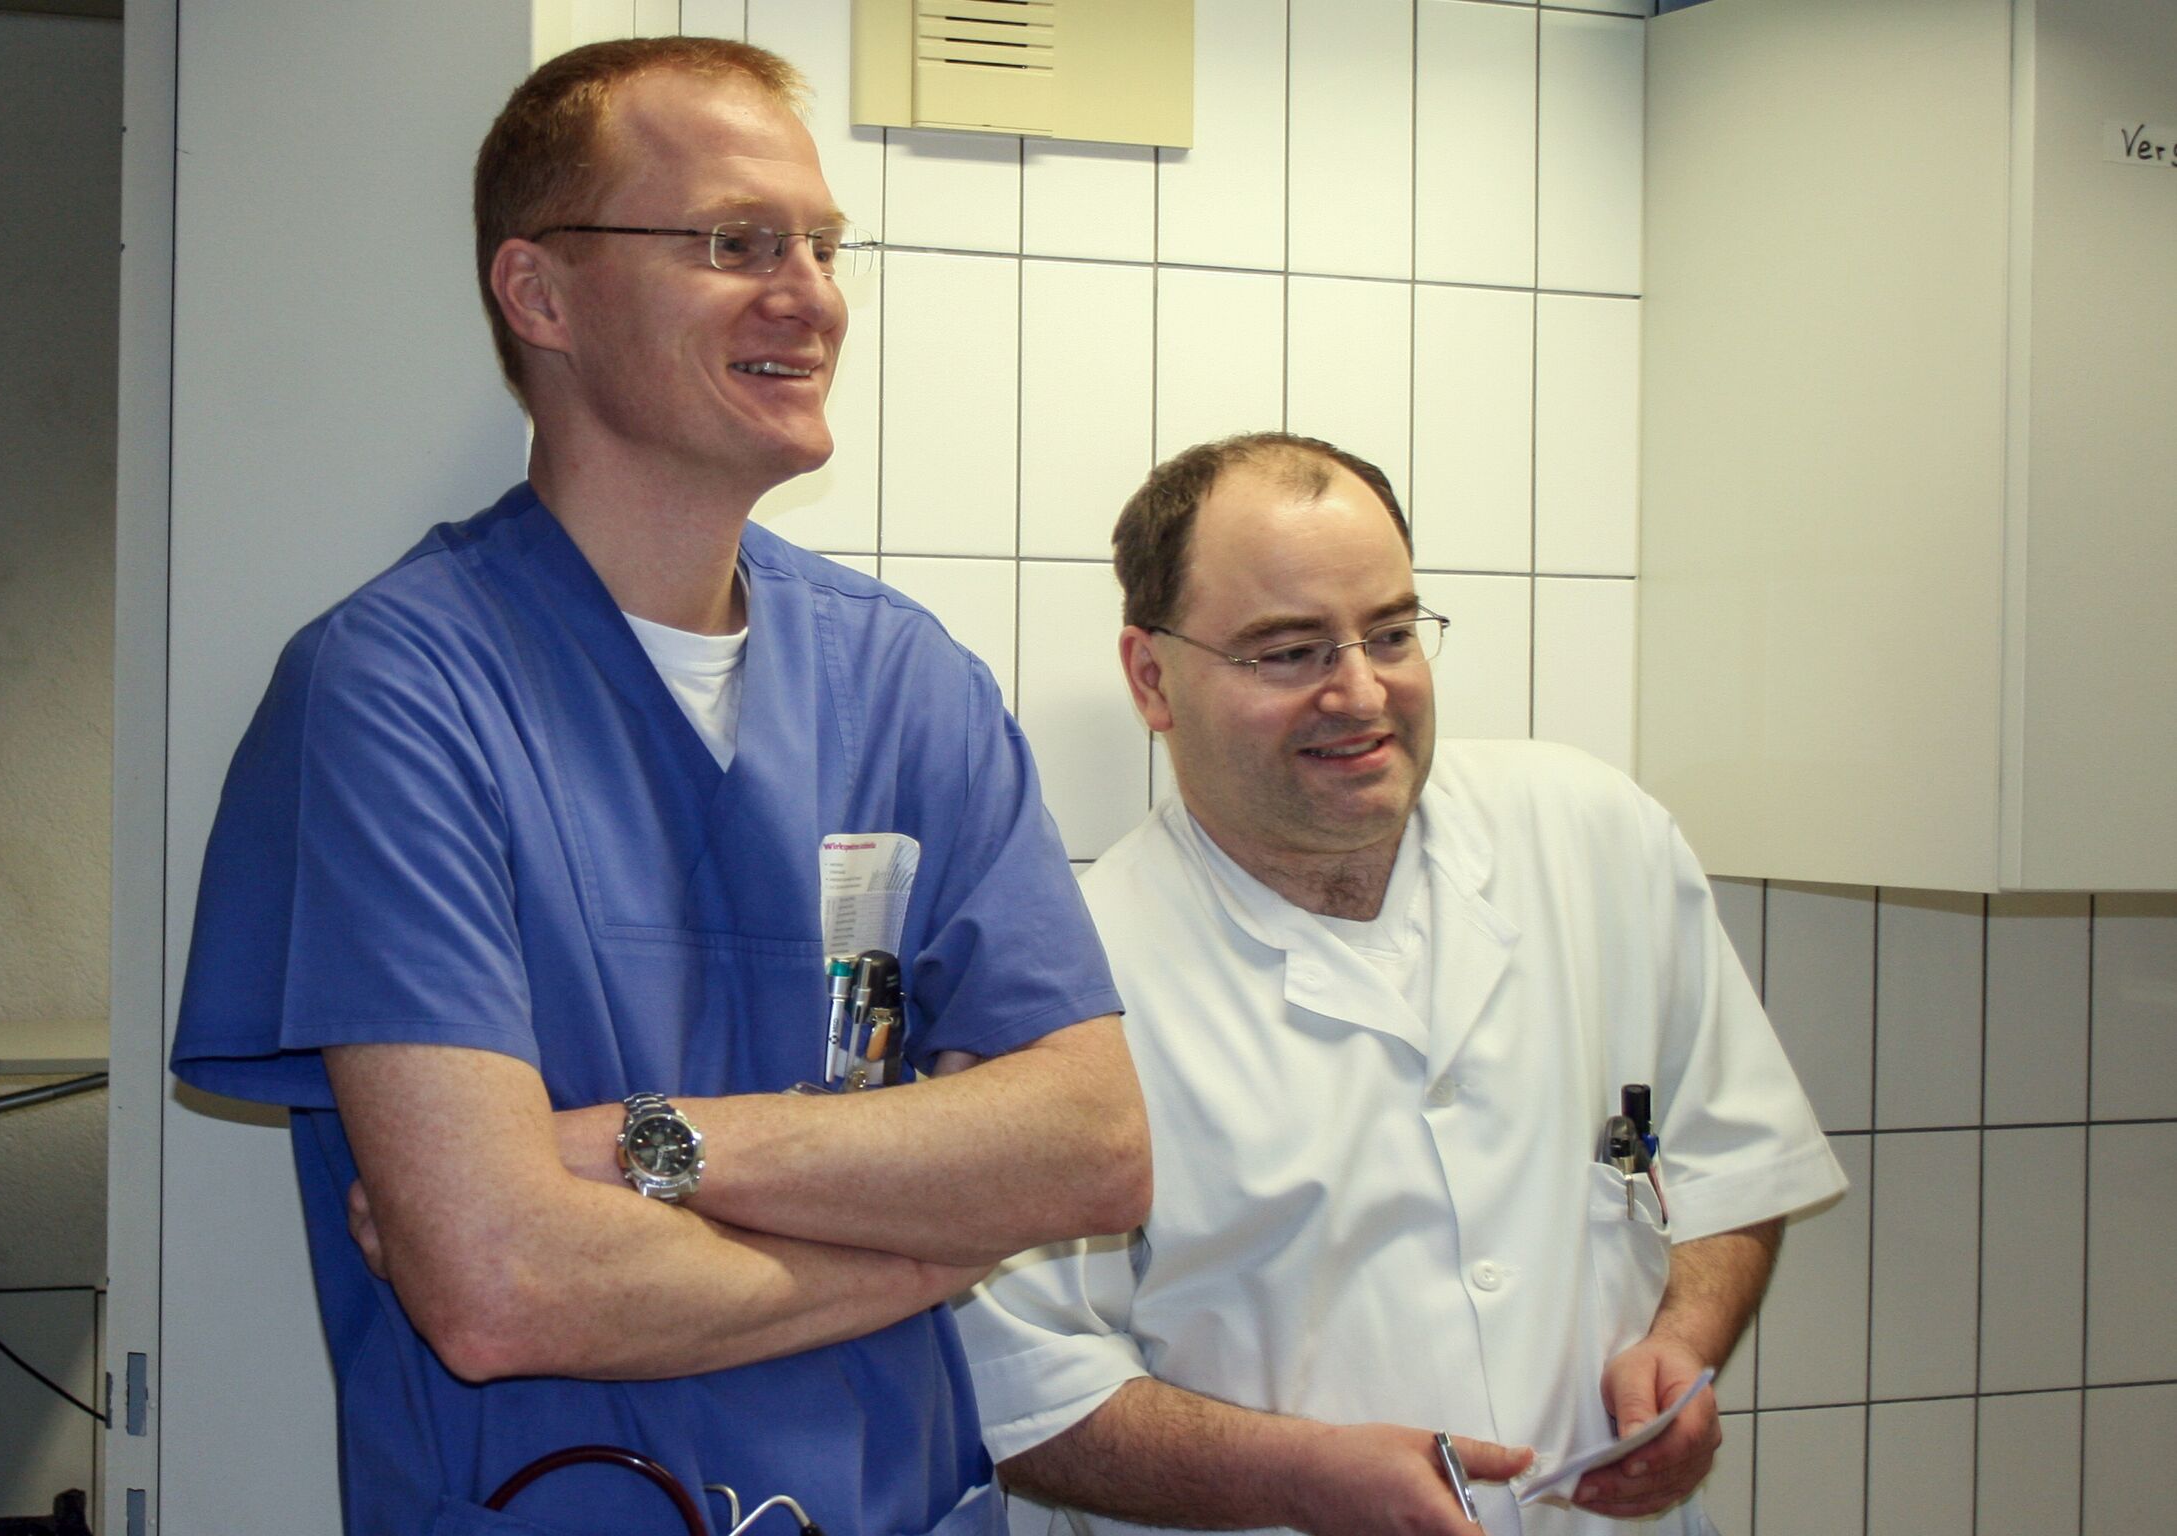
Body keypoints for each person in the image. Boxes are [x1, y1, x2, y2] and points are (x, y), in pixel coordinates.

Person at [170, 37, 1149, 1536]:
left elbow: (1094, 1148)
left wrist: (625, 1145)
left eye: (823, 246)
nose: (809, 295)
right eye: (735, 243)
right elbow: (502, 1285)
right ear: (540, 294)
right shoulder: (395, 696)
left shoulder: (906, 682)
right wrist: (927, 1248)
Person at [952, 433, 1845, 1536]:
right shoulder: (1070, 982)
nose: (1360, 691)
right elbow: (1032, 1395)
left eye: (1390, 633)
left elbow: (1734, 1163)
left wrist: (1682, 1345)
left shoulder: (1594, 834)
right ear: (1152, 678)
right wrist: (1295, 1479)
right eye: (1289, 652)